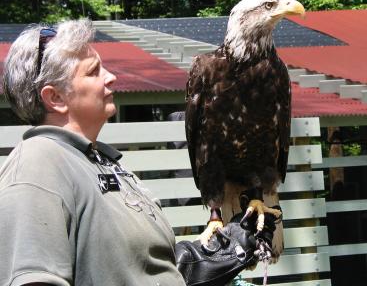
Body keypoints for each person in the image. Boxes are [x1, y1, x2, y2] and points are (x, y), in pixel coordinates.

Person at [0, 19, 273, 286]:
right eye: (94, 71)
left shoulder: (102, 164)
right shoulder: (38, 165)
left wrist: (204, 262)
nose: (111, 77)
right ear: (55, 98)